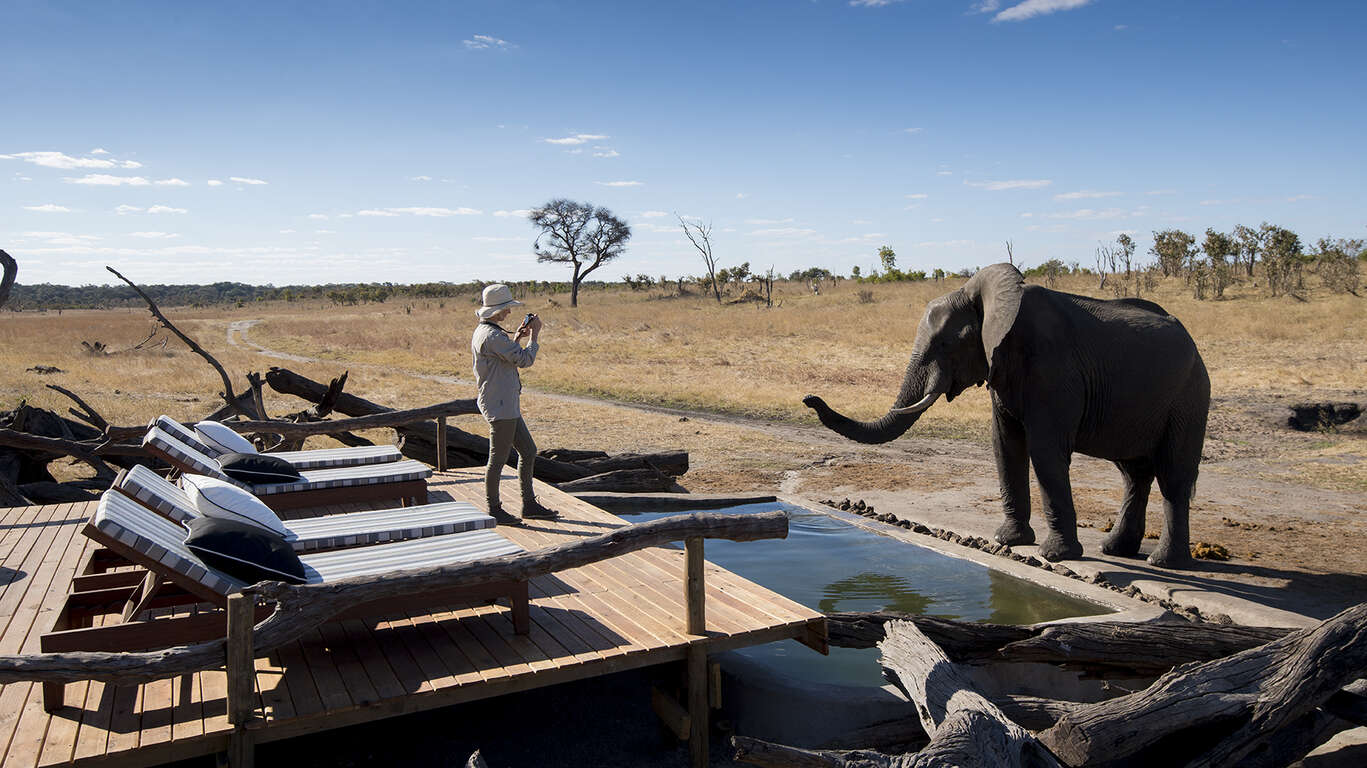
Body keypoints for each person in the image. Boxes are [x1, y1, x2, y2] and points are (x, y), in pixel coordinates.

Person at [471, 284, 557, 524]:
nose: (509, 312)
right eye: (506, 308)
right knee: (498, 459)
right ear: (496, 310)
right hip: (501, 405)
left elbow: (504, 357)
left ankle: (528, 504)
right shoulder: (493, 336)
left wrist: (517, 337)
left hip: (503, 402)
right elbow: (524, 360)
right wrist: (536, 335)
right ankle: (494, 507)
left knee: (528, 450)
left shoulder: (488, 332)